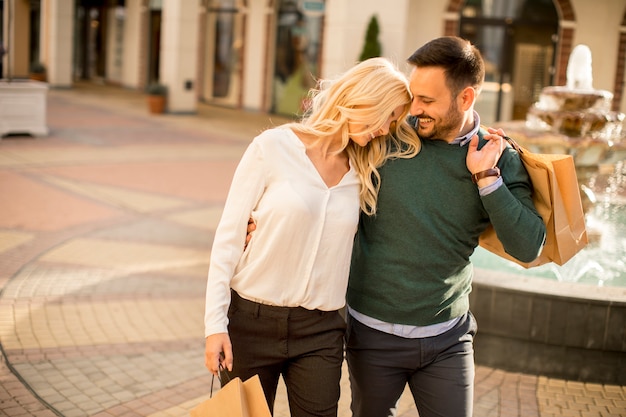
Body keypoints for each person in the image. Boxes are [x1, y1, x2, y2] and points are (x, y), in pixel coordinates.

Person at [203, 57, 421, 417]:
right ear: (363, 99)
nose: (386, 129)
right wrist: (215, 326)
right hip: (250, 322)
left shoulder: (365, 171)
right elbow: (228, 238)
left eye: (395, 121)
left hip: (321, 330)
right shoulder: (272, 147)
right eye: (388, 116)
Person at [344, 36, 546, 417]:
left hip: (447, 340)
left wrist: (487, 179)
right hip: (370, 334)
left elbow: (528, 247)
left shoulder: (498, 156)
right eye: (413, 95)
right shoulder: (386, 135)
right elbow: (323, 166)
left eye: (427, 101)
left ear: (465, 98)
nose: (413, 108)